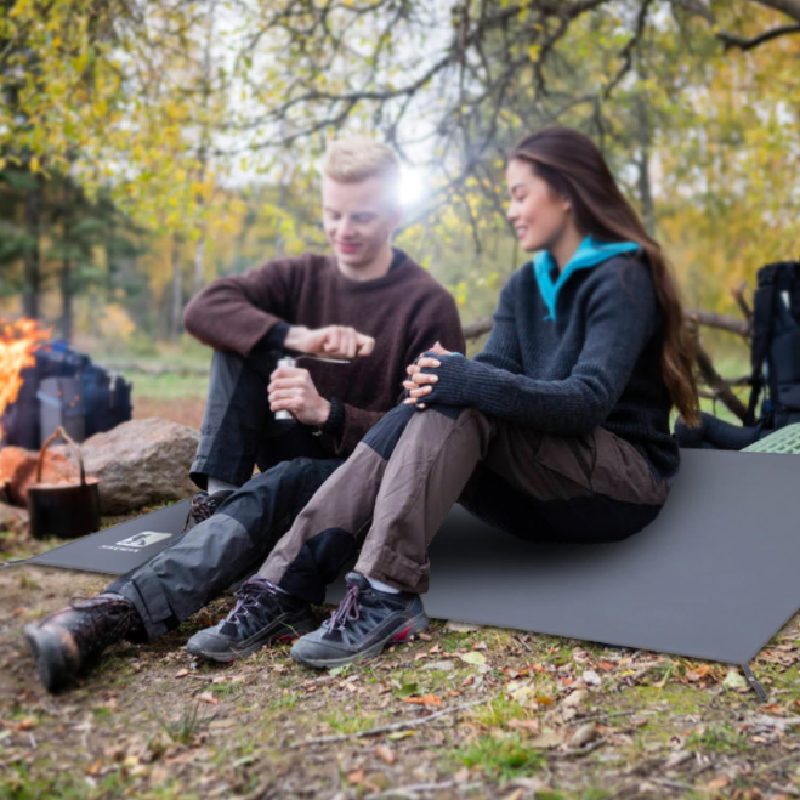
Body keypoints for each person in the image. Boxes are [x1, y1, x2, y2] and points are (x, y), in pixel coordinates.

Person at [188, 126, 699, 669]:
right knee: (433, 396)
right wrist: (443, 378)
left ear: (567, 193)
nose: (512, 210)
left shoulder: (622, 278)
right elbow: (494, 374)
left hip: (619, 489)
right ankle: (282, 586)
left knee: (457, 390)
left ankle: (387, 592)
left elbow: (585, 402)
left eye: (520, 194)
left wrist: (461, 378)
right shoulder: (525, 285)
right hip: (537, 494)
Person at [23, 136, 465, 692]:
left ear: (397, 216)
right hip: (285, 456)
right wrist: (299, 337)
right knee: (238, 338)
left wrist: (328, 414)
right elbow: (204, 308)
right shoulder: (301, 276)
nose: (343, 230)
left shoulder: (429, 305)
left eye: (362, 216)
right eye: (332, 214)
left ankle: (104, 618)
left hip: (363, 483)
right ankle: (218, 508)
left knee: (285, 481)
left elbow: (430, 448)